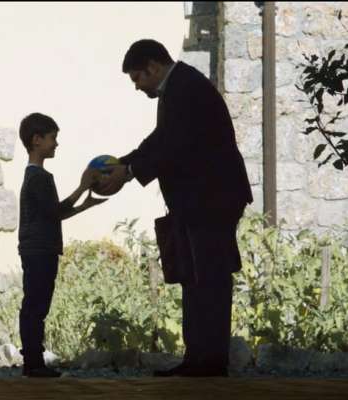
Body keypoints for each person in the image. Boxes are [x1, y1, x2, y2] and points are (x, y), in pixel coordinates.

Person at [100, 39, 253, 377]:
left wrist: (129, 171)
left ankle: (210, 361)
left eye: (137, 78)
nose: (137, 87)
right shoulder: (179, 87)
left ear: (153, 67)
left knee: (209, 277)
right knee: (194, 277)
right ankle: (198, 357)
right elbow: (161, 139)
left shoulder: (185, 88)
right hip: (198, 201)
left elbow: (173, 145)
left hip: (212, 199)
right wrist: (125, 164)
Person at [17, 112, 106, 378]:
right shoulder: (38, 177)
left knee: (35, 304)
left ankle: (33, 361)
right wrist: (82, 187)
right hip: (39, 250)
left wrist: (84, 205)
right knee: (35, 306)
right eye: (52, 138)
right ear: (37, 140)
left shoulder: (36, 176)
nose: (56, 143)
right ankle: (33, 363)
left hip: (38, 248)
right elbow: (54, 212)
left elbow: (52, 214)